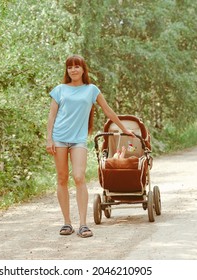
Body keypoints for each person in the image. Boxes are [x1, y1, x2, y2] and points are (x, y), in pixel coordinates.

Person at [46, 54, 134, 238]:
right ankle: (67, 223)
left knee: (79, 177)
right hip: (59, 138)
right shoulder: (60, 90)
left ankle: (83, 225)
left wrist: (124, 129)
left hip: (78, 139)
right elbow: (52, 116)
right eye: (70, 67)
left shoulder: (91, 90)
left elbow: (108, 110)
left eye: (77, 66)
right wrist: (49, 140)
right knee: (62, 179)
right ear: (67, 70)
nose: (73, 70)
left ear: (83, 69)